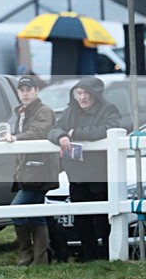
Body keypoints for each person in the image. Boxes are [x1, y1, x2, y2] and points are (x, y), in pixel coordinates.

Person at [48, 77, 121, 262]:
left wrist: (76, 133)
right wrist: (61, 136)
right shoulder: (69, 111)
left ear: (95, 95)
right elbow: (54, 129)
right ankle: (89, 256)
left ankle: (107, 256)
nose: (82, 97)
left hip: (100, 174)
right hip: (76, 174)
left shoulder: (109, 109)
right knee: (81, 218)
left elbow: (107, 129)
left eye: (86, 93)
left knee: (103, 219)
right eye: (79, 93)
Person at [6, 76, 60, 266]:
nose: (25, 93)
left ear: (36, 91)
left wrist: (16, 137)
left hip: (39, 171)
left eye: (28, 89)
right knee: (37, 216)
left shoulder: (44, 111)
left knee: (17, 210)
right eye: (22, 90)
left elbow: (39, 132)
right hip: (28, 171)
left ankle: (27, 254)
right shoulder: (23, 112)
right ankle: (40, 258)